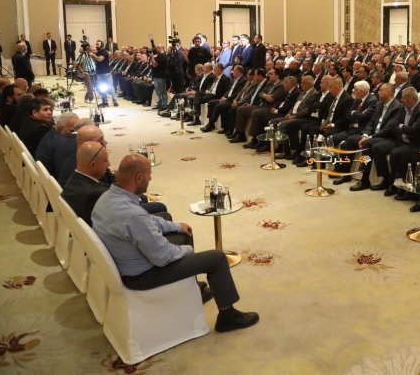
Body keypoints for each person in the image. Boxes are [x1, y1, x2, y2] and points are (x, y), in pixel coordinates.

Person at [92, 155, 259, 332]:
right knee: (216, 259)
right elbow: (162, 257)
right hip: (142, 276)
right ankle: (228, 317)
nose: (150, 178)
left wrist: (177, 226)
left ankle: (193, 290)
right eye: (149, 174)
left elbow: (147, 221)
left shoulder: (107, 198)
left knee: (182, 231)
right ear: (138, 177)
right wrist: (186, 250)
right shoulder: (133, 215)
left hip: (128, 263)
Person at [350, 86, 420, 192]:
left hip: (405, 140)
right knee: (374, 146)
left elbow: (411, 130)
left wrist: (401, 127)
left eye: (403, 97)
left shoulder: (419, 110)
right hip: (398, 138)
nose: (401, 100)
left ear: (411, 98)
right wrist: (366, 135)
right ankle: (374, 179)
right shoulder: (397, 106)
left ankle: (390, 182)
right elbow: (392, 125)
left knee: (382, 148)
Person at [35, 111, 78, 176]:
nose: (76, 133)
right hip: (53, 178)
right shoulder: (63, 144)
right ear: (59, 128)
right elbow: (65, 173)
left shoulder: (52, 133)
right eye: (72, 131)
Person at [91, 40, 118, 107]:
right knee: (101, 87)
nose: (96, 45)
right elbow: (96, 61)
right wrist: (93, 56)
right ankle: (104, 101)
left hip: (106, 72)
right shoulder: (98, 52)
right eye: (96, 44)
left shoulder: (104, 52)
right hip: (99, 72)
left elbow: (100, 59)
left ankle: (115, 101)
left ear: (102, 45)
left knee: (110, 87)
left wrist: (93, 55)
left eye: (98, 44)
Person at [150, 44, 169, 110]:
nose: (155, 50)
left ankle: (164, 105)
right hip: (157, 75)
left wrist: (151, 57)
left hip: (161, 76)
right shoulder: (158, 55)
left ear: (159, 48)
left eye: (156, 48)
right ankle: (160, 103)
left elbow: (155, 64)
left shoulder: (163, 56)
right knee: (158, 92)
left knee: (162, 91)